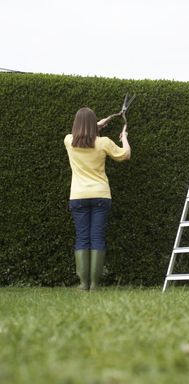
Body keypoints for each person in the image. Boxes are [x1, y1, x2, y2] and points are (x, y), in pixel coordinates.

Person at [64, 107, 131, 290]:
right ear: (94, 124)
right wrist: (124, 137)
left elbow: (82, 135)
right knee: (97, 238)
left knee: (82, 238)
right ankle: (95, 285)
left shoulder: (68, 141)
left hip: (78, 196)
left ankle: (83, 284)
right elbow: (126, 155)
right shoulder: (104, 143)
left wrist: (95, 126)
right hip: (101, 195)